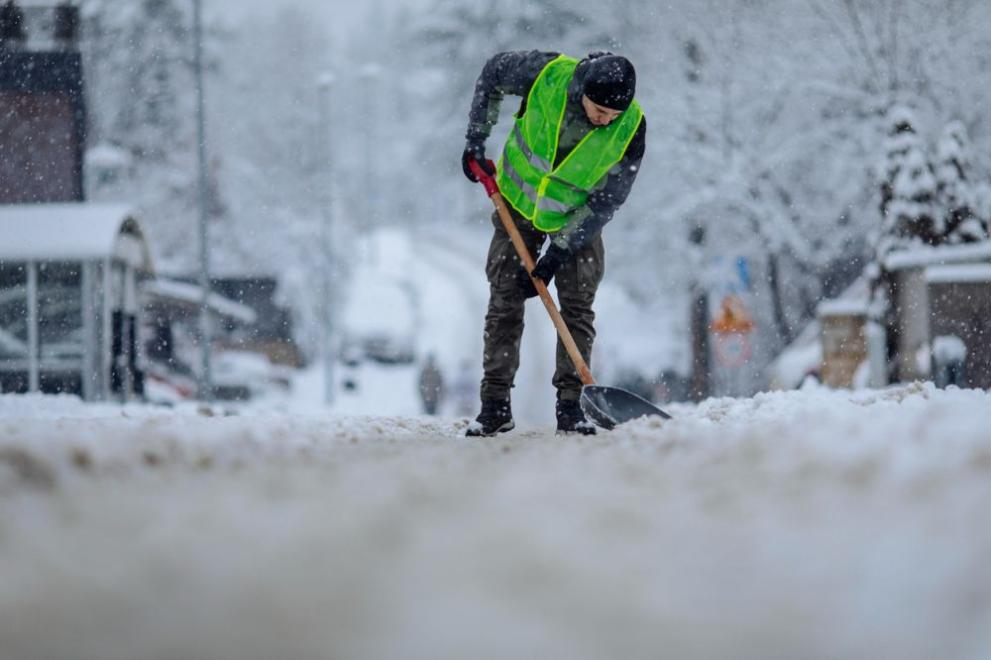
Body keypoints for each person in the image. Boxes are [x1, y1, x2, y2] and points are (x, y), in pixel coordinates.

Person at [461, 50, 646, 436]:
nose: (605, 121)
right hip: (517, 204)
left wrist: (558, 252)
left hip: (577, 219)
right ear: (583, 91)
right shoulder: (547, 75)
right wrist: (477, 137)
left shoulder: (632, 127)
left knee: (577, 307)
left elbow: (607, 200)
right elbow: (493, 73)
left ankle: (572, 408)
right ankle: (494, 404)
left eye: (612, 116)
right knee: (505, 299)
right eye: (599, 111)